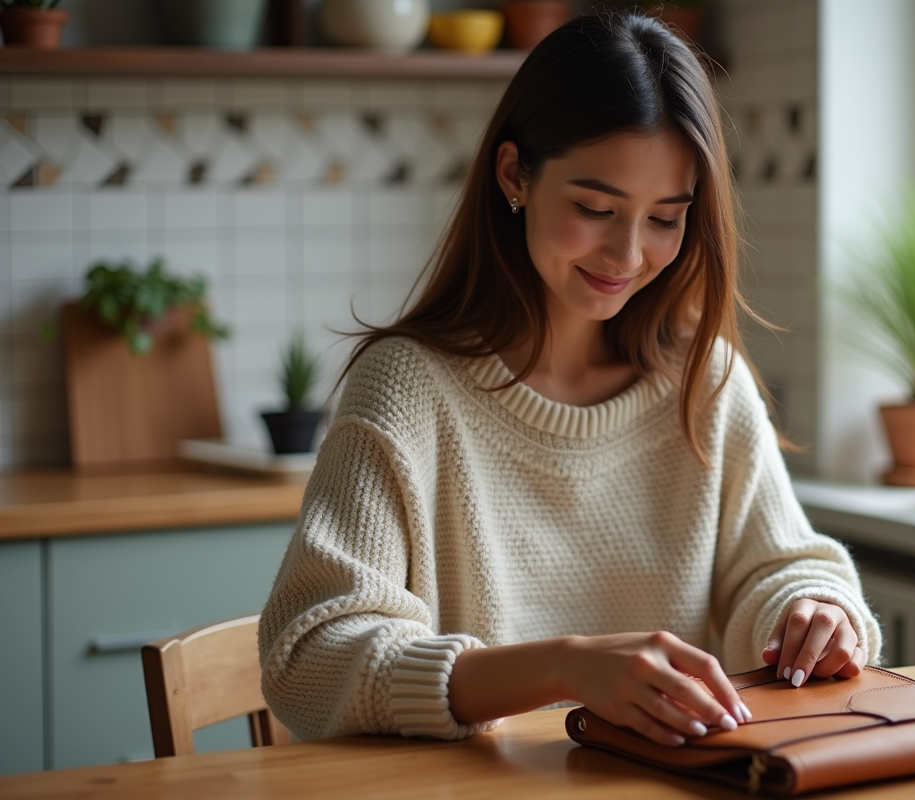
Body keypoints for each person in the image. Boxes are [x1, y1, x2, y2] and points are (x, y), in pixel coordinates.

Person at [258, 12, 881, 749]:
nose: (628, 252)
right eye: (595, 208)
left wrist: (814, 609)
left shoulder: (703, 378)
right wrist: (564, 668)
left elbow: (774, 568)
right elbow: (307, 659)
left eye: (665, 219)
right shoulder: (407, 389)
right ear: (514, 174)